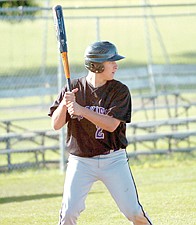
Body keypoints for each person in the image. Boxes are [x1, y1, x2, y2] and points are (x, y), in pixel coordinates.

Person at [48, 41, 153, 225]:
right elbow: (55, 125)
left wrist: (81, 110)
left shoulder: (119, 90)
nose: (116, 65)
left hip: (113, 160)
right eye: (111, 61)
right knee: (69, 213)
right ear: (96, 65)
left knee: (134, 212)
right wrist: (65, 103)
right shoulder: (73, 88)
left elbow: (112, 124)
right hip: (80, 161)